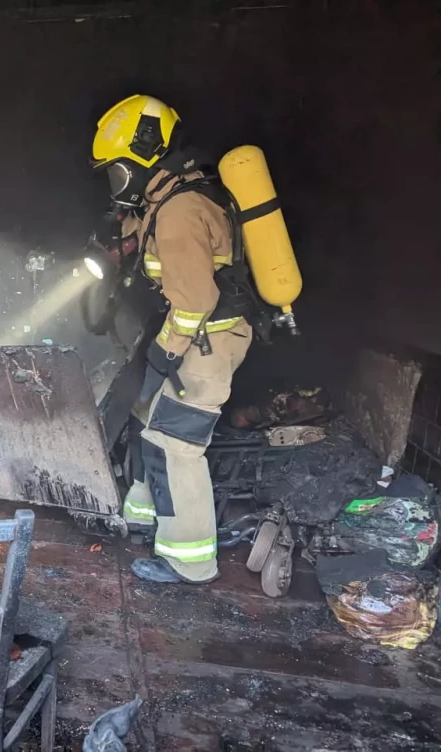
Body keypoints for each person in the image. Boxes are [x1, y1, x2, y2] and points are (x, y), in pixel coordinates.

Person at [90, 94, 253, 584]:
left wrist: (163, 353)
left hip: (207, 343)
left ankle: (189, 561)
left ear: (144, 151)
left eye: (118, 171)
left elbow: (196, 301)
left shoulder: (181, 209)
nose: (116, 182)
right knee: (146, 418)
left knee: (176, 444)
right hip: (196, 338)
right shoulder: (170, 200)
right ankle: (143, 518)